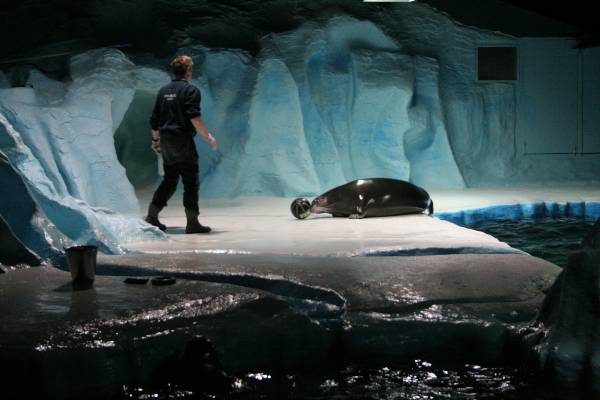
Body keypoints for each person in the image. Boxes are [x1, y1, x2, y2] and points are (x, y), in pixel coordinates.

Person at [145, 55, 217, 233]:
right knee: (190, 181)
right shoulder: (191, 90)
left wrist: (156, 140)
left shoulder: (163, 91)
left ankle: (152, 216)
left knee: (170, 179)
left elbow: (154, 120)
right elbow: (194, 117)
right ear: (189, 70)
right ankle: (192, 222)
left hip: (166, 140)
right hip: (182, 139)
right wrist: (208, 136)